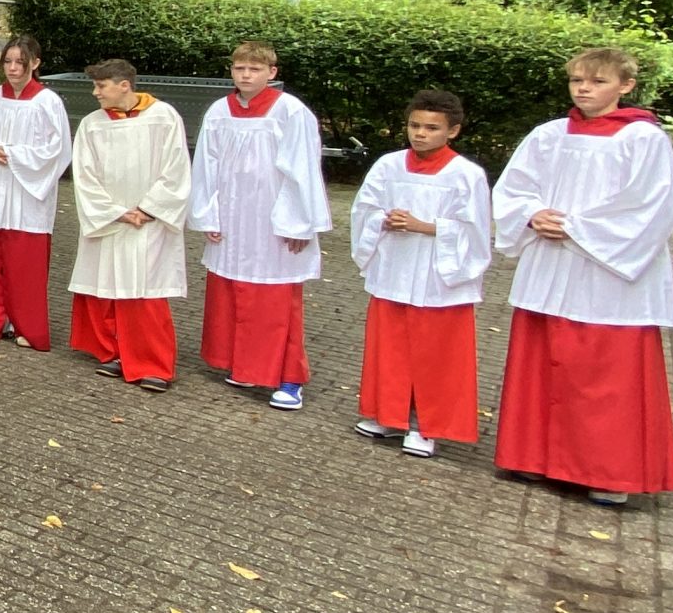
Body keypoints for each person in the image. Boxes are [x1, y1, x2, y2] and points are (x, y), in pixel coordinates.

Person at [492, 46, 673, 507]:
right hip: (551, 264)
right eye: (577, 80)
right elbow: (514, 187)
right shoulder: (549, 134)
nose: (584, 89)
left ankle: (607, 472)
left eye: (597, 81)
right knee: (543, 362)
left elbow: (651, 206)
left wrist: (576, 228)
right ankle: (533, 457)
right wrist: (532, 213)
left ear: (625, 86)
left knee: (606, 374)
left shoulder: (644, 139)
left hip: (608, 274)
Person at [350, 89, 492, 458]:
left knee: (434, 356)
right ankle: (388, 415)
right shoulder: (389, 165)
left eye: (431, 128)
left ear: (452, 131)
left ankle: (426, 426)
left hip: (437, 278)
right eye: (415, 125)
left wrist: (425, 226)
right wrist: (382, 220)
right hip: (395, 270)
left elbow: (475, 230)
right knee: (391, 348)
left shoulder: (466, 175)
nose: (420, 134)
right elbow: (364, 208)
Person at [188, 40, 330, 410]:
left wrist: (299, 224)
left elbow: (303, 169)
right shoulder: (219, 111)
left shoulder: (290, 111)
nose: (246, 75)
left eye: (254, 69)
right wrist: (208, 213)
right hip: (233, 219)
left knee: (275, 300)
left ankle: (290, 378)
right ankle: (246, 366)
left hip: (273, 221)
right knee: (234, 294)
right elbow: (206, 165)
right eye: (239, 68)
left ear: (272, 72)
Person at [68, 59, 190, 391]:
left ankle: (154, 365)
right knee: (106, 287)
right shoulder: (93, 124)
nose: (95, 93)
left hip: (149, 221)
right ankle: (116, 352)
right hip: (111, 219)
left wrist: (148, 208)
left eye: (101, 86)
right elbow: (84, 175)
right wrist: (116, 212)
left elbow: (176, 167)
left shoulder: (163, 117)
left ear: (124, 86)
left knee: (145, 293)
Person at [0, 35, 72, 349]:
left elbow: (58, 150)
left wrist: (13, 154)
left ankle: (25, 324)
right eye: (8, 62)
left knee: (24, 260)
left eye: (20, 63)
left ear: (35, 63)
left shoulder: (47, 102)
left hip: (26, 193)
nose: (12, 68)